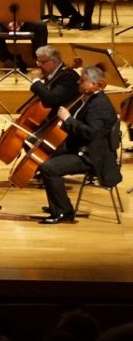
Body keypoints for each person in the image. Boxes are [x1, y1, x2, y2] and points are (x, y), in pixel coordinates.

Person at [36, 65, 122, 224]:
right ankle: (58, 203)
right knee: (46, 159)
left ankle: (63, 212)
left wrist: (68, 119)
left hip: (92, 157)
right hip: (84, 149)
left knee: (49, 168)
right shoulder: (92, 99)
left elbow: (91, 133)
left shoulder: (99, 106)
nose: (78, 82)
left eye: (83, 81)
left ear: (96, 84)